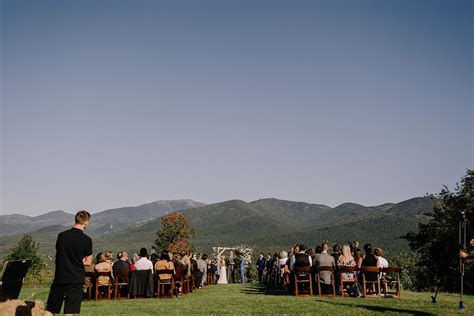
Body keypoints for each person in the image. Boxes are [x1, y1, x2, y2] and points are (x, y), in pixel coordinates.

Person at [45, 210, 92, 316]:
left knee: (51, 308)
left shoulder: (61, 236)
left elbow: (60, 252)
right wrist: (80, 261)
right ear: (86, 222)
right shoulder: (87, 240)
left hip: (60, 276)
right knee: (69, 311)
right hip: (76, 278)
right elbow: (88, 262)